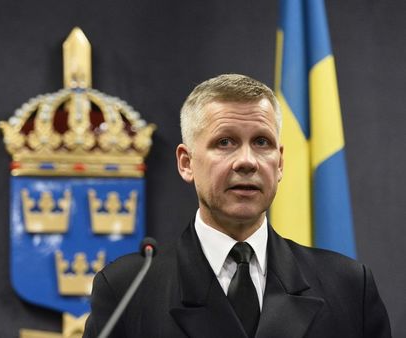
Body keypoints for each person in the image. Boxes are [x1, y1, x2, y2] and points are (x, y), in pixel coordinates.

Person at [83, 74, 391, 338]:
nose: (247, 161)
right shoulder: (127, 290)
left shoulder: (349, 288)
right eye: (225, 142)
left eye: (261, 142)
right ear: (186, 163)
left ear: (280, 163)